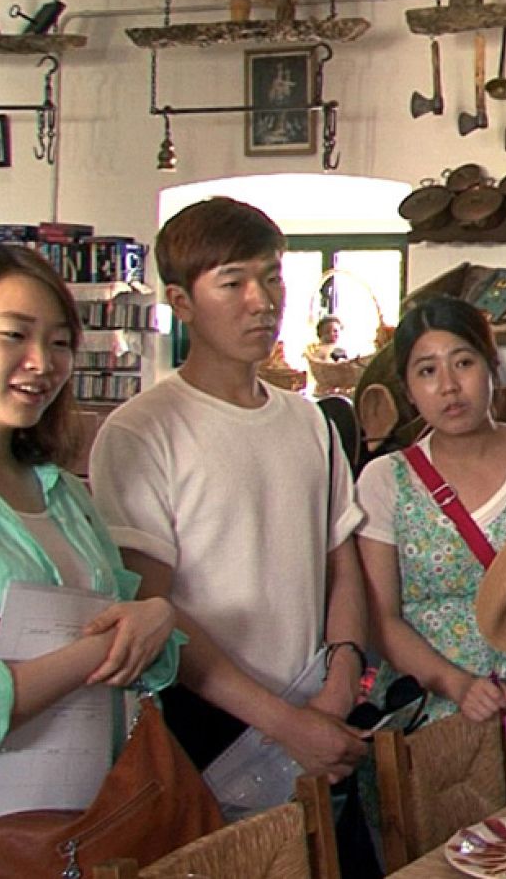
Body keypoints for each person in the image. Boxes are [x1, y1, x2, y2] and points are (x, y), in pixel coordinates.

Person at [88, 198, 369, 789]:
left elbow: (342, 565)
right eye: (233, 282)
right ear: (181, 301)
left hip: (318, 709)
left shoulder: (309, 421)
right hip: (208, 730)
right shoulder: (142, 432)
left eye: (271, 278)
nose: (261, 302)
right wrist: (285, 723)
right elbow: (154, 610)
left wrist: (341, 679)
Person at [355, 296, 506, 782]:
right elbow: (380, 620)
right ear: (408, 389)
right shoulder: (386, 480)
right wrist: (457, 684)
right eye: (426, 371)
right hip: (431, 717)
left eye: (463, 363)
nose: (448, 386)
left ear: (492, 368)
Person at [0, 245, 183, 804]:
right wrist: (102, 651)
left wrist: (156, 615)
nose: (42, 363)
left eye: (59, 344)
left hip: (85, 816)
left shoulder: (63, 493)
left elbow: (141, 636)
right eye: (14, 335)